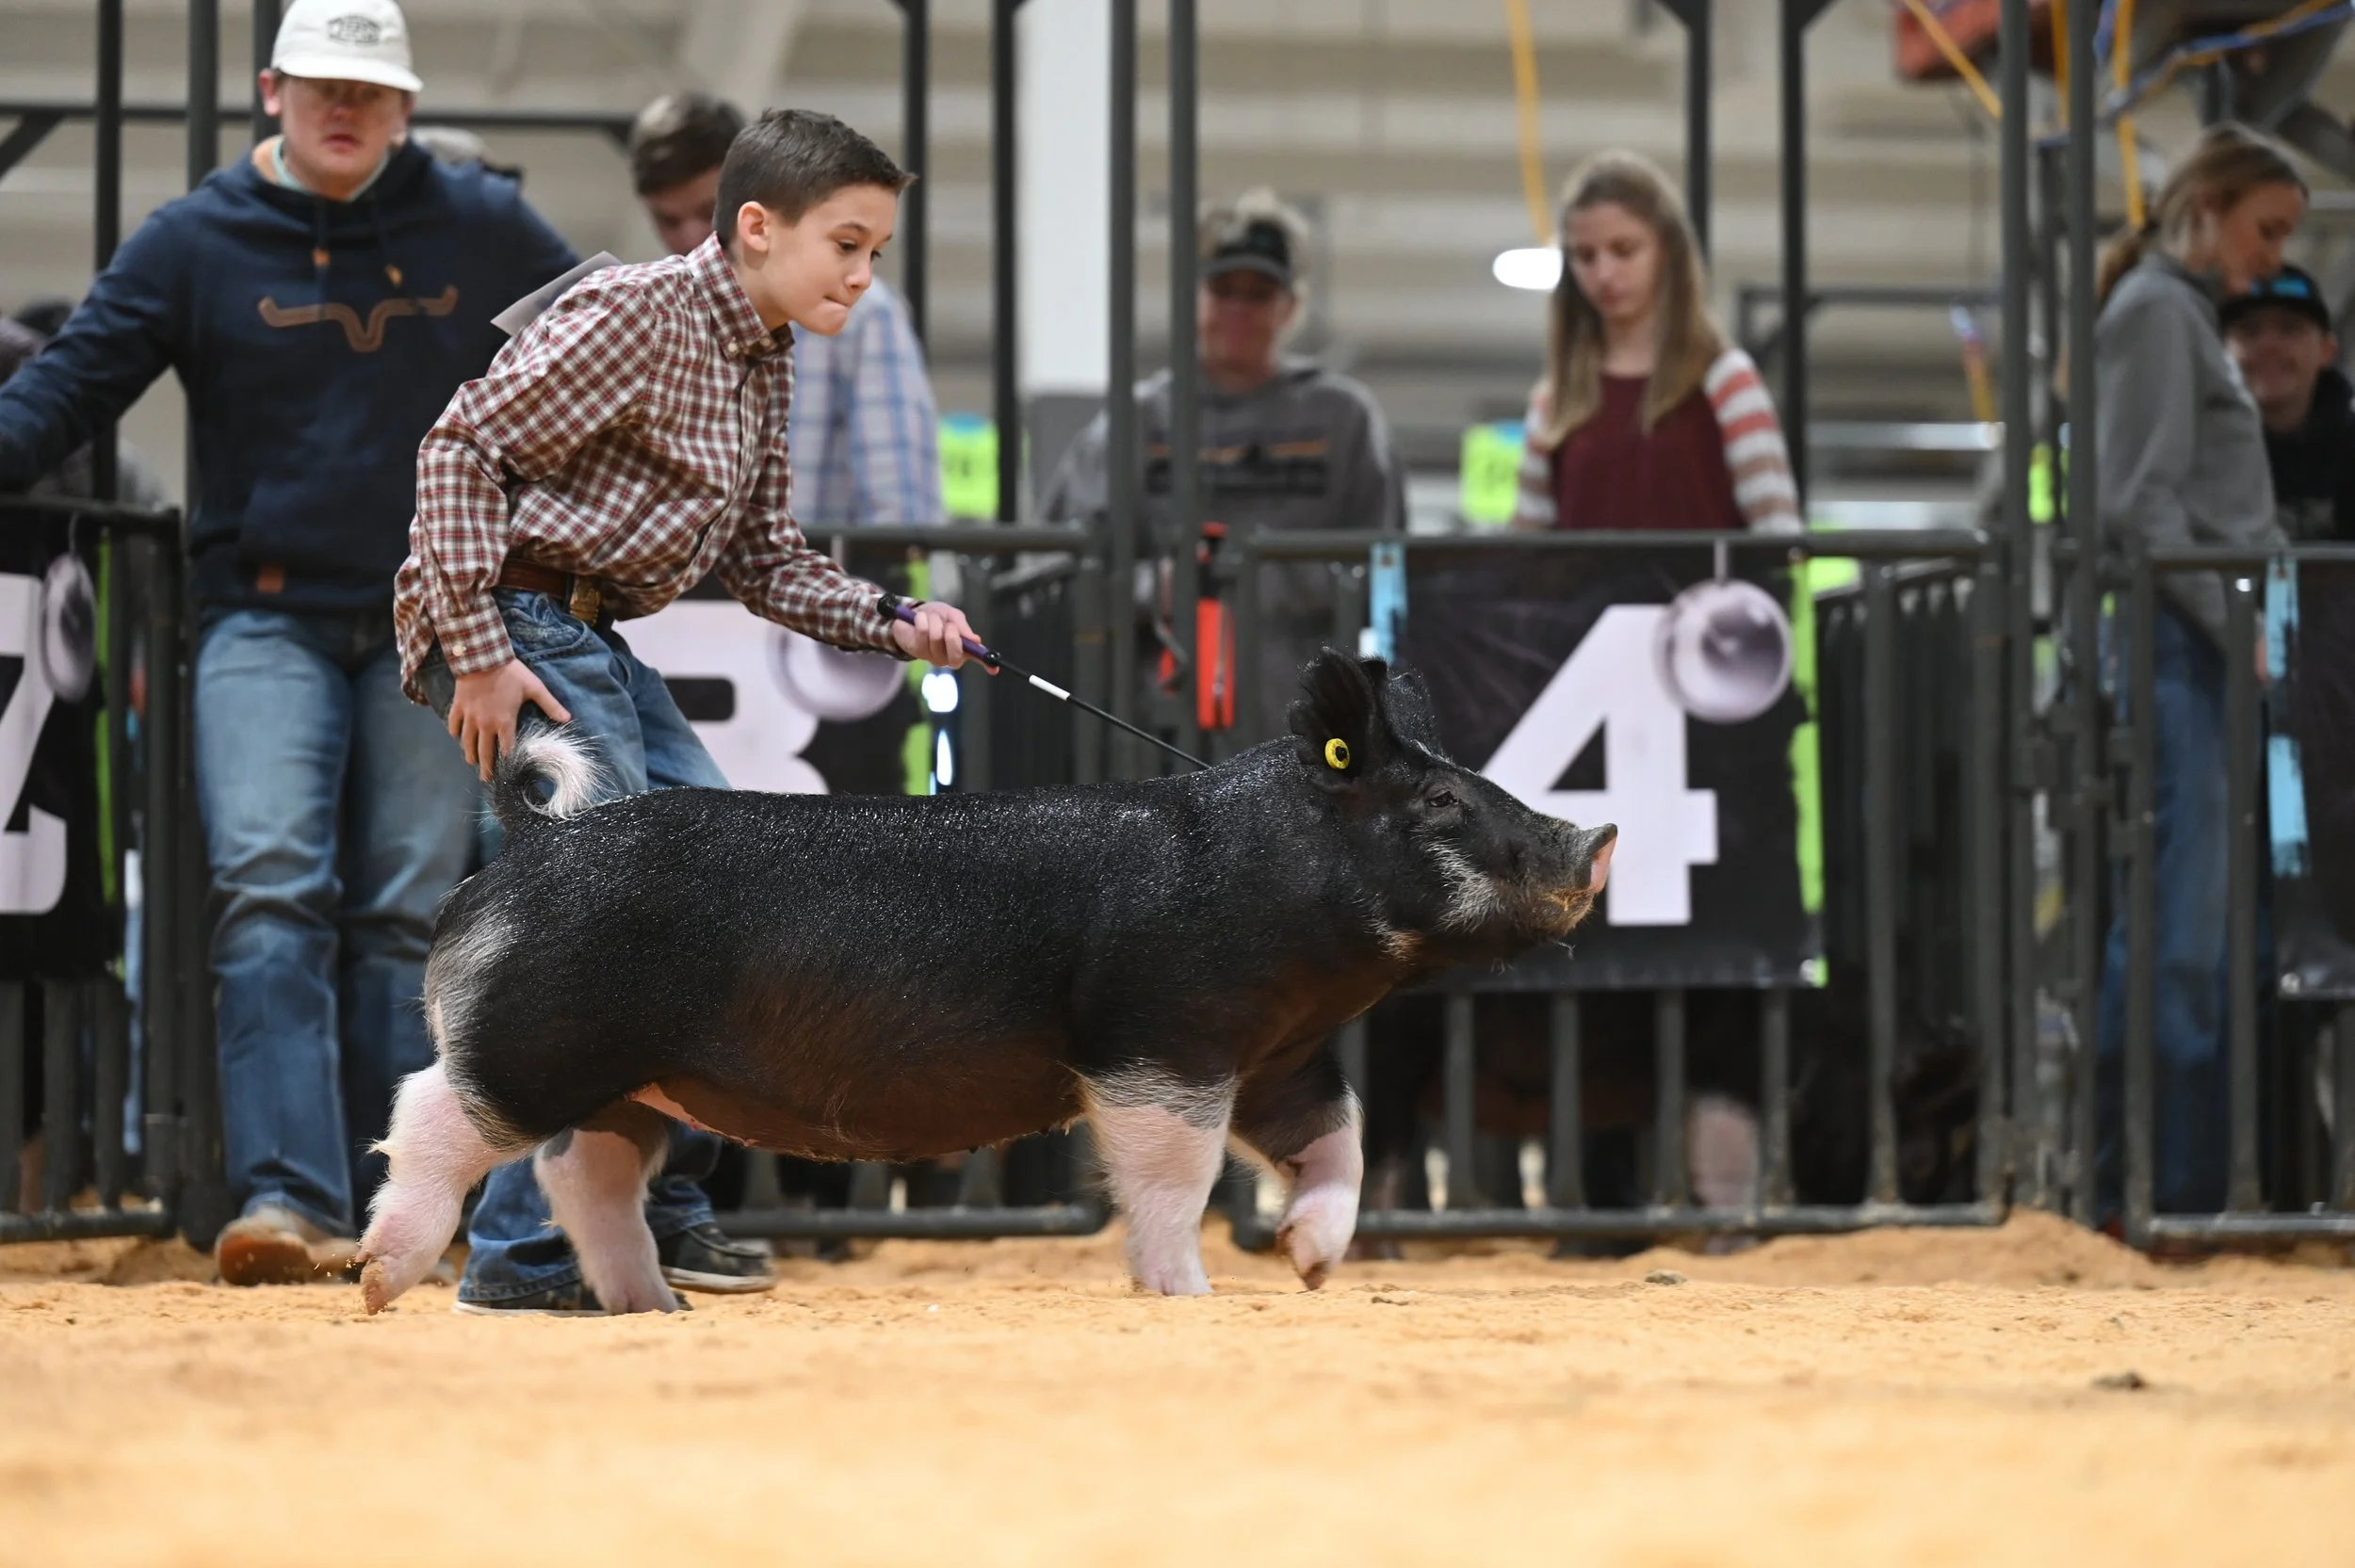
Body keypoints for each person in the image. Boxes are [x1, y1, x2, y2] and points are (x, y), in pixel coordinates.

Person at [0, 0, 578, 1284]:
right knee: (267, 889)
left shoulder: (480, 222)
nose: (344, 109)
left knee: (406, 910)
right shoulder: (194, 240)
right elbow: (68, 385)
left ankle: (400, 1204)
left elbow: (605, 335)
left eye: (368, 93)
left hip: (433, 619)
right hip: (258, 610)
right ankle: (285, 1195)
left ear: (405, 108)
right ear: (272, 89)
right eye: (322, 84)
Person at [396, 107, 983, 1317]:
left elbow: (767, 562)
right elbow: (458, 446)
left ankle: (637, 1202)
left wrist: (892, 616)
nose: (864, 276)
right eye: (847, 245)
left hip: (584, 627)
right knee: (605, 922)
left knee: (713, 880)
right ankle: (523, 1254)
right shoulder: (638, 316)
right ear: (757, 229)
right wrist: (477, 652)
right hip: (520, 619)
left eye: (876, 251)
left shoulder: (764, 354)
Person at [2094, 122, 2305, 1222]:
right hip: (2186, 652)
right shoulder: (2158, 315)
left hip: (2201, 648)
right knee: (2181, 929)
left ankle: (2150, 1191)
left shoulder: (2171, 314)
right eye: (2265, 228)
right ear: (2211, 207)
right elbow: (2139, 507)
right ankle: (2159, 1194)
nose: (2273, 254)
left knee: (2187, 924)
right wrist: (2242, 621)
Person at [1042, 188, 1405, 745]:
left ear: (1290, 306)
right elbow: (1062, 569)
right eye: (1223, 290)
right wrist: (1155, 589)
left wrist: (1274, 582)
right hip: (1156, 736)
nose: (1239, 309)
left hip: (1311, 734)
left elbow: (1389, 569)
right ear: (1194, 295)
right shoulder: (1135, 423)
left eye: (1259, 294)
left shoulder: (1343, 420)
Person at [629, 91, 941, 527]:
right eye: (668, 221)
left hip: (813, 579)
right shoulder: (649, 311)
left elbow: (901, 510)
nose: (690, 236)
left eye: (708, 211)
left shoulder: (864, 314)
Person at [1510, 150, 1799, 538]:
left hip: (1707, 599)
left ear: (1667, 249)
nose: (1604, 273)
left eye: (1624, 250)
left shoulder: (1727, 380)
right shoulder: (1553, 401)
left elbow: (1779, 536)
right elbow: (1525, 553)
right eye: (1585, 256)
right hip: (1586, 600)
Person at [2221, 262, 2355, 542]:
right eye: (2249, 331)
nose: (2269, 344)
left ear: (2326, 351)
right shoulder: (2200, 449)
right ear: (2219, 353)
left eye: (2290, 328)